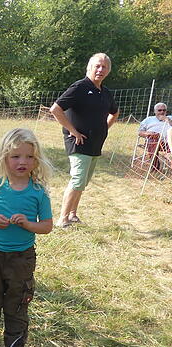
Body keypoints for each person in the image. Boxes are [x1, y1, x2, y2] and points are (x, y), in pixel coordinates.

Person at [0, 128, 55, 347]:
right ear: (4, 158)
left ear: (36, 159)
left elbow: (47, 226)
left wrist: (29, 224)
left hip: (22, 257)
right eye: (15, 156)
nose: (22, 162)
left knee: (18, 302)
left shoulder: (38, 191)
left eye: (29, 157)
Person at [50, 53, 119, 228]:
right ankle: (62, 219)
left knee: (83, 182)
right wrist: (73, 131)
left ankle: (73, 214)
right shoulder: (80, 87)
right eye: (97, 66)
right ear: (89, 67)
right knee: (78, 180)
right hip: (78, 144)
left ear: (108, 71)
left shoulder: (105, 92)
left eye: (104, 67)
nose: (100, 69)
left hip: (95, 144)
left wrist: (103, 129)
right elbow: (56, 109)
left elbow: (115, 113)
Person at [138, 102, 172, 170]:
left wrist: (168, 121)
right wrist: (149, 133)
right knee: (154, 140)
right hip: (153, 141)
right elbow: (140, 132)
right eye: (159, 110)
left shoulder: (170, 118)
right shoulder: (148, 120)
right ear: (155, 111)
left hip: (169, 143)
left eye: (164, 110)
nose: (162, 112)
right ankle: (155, 167)